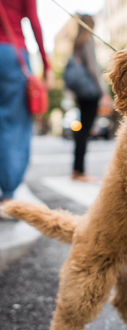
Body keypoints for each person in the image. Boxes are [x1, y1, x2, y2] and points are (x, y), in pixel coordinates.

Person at [0, 0, 52, 207]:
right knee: (14, 125)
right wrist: (46, 64)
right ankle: (8, 194)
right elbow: (34, 22)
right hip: (12, 54)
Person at [71, 14, 112, 183]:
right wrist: (103, 92)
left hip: (81, 93)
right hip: (90, 93)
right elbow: (93, 69)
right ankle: (79, 171)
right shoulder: (87, 42)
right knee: (85, 131)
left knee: (82, 130)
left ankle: (77, 169)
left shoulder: (77, 43)